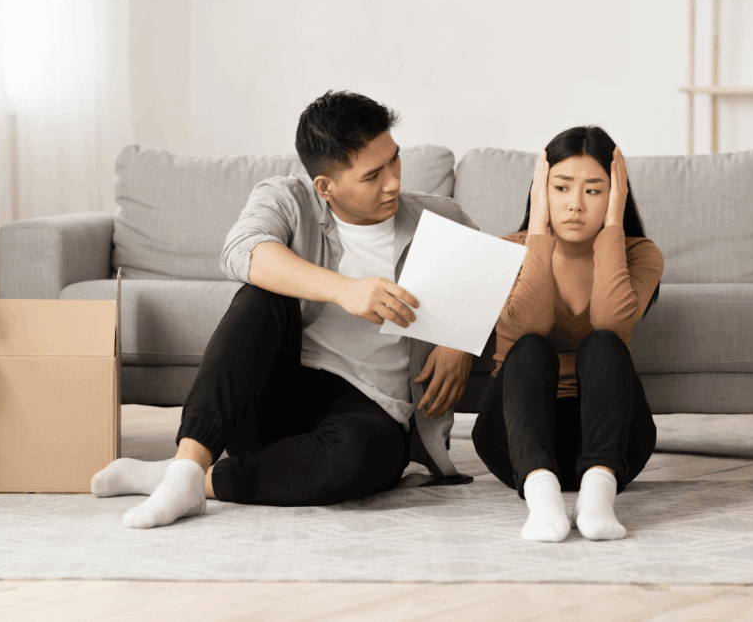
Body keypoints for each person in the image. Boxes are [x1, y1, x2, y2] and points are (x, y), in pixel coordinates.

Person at [92, 90, 478, 528]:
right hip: (274, 393)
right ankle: (187, 464)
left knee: (367, 459)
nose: (392, 182)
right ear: (325, 186)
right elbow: (242, 251)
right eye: (372, 175)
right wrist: (344, 290)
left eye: (394, 160)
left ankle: (182, 480)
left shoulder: (442, 219)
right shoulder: (287, 197)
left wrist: (459, 342)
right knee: (261, 294)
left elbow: (493, 287)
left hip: (371, 410)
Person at [472, 125, 663, 542]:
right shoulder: (509, 251)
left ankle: (598, 496)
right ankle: (542, 499)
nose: (575, 205)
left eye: (594, 191)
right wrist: (538, 232)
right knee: (529, 347)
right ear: (541, 191)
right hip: (516, 439)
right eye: (560, 188)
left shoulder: (640, 254)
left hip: (611, 446)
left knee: (605, 343)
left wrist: (613, 227)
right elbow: (528, 325)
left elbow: (611, 321)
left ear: (616, 194)